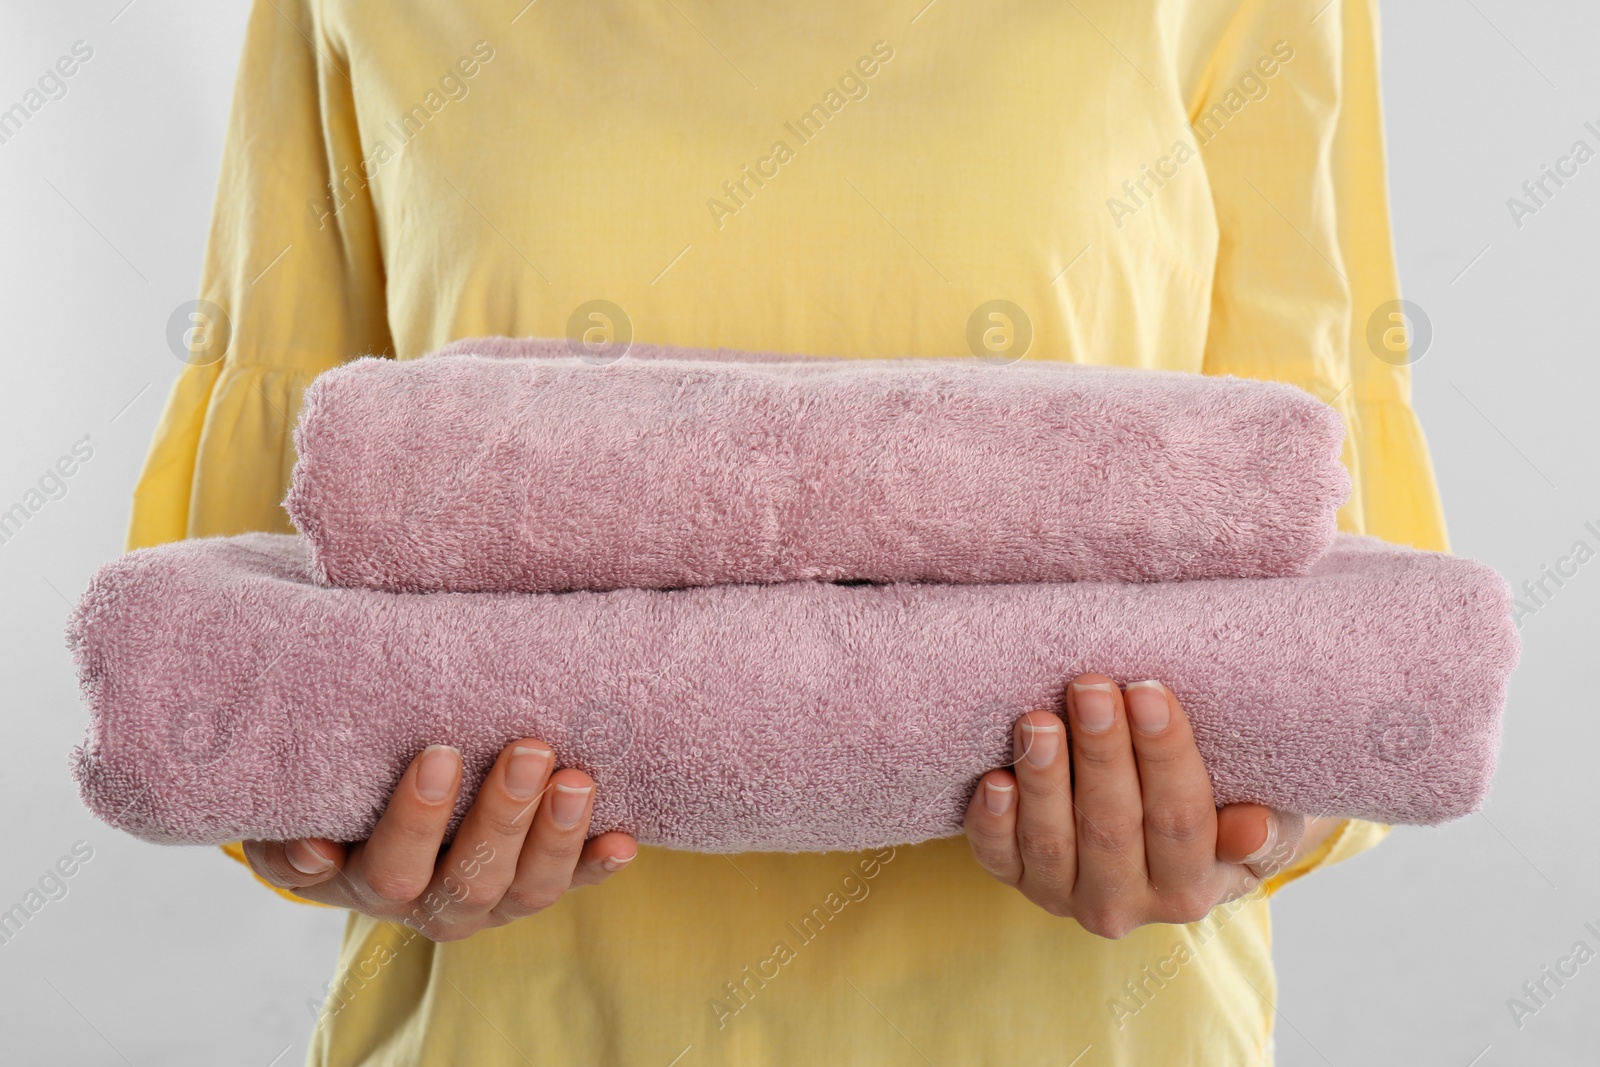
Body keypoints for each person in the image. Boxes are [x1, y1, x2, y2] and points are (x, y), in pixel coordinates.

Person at [129, 1, 1446, 1062]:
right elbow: (270, 611)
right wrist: (325, 834)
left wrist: (1242, 832)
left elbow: (1331, 597)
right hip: (511, 1032)